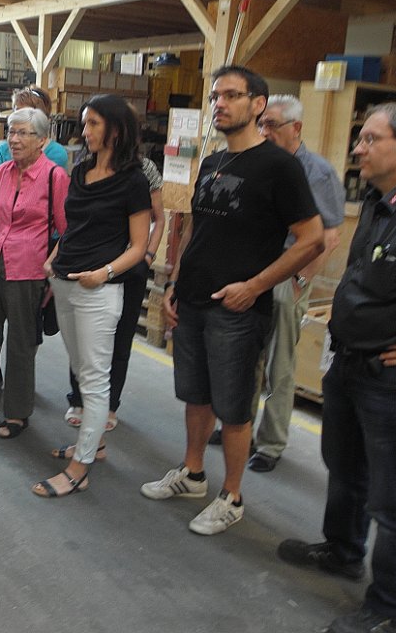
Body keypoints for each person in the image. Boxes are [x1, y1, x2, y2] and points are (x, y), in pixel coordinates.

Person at [141, 65, 324, 535]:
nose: (219, 104)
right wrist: (176, 282)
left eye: (231, 95)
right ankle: (193, 473)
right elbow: (197, 229)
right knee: (196, 396)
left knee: (235, 408)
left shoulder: (280, 167)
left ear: (258, 105)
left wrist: (256, 286)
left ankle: (232, 496)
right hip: (194, 300)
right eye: (215, 96)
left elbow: (312, 239)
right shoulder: (213, 162)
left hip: (238, 310)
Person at [277, 102, 396, 633]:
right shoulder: (381, 204)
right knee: (345, 468)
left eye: (371, 139)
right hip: (350, 363)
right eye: (360, 139)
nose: (358, 149)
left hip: (392, 379)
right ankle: (342, 551)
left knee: (395, 498)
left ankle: (388, 607)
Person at [33, 94, 151, 497]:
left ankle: (79, 467)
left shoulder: (134, 180)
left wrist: (104, 273)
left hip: (99, 289)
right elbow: (74, 227)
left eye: (93, 124)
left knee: (96, 380)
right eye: (85, 123)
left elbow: (139, 245)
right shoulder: (82, 170)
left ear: (116, 130)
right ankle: (93, 444)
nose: (85, 131)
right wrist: (53, 259)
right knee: (83, 372)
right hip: (64, 280)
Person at [247, 94, 345, 472]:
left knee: (280, 364)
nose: (264, 131)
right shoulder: (261, 164)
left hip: (289, 277)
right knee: (247, 357)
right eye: (261, 124)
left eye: (272, 124)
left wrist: (303, 279)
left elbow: (329, 236)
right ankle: (239, 425)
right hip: (254, 273)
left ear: (296, 127)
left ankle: (270, 444)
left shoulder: (317, 172)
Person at [0, 107, 68, 438]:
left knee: (21, 344)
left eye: (23, 133)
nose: (14, 140)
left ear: (43, 140)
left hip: (29, 270)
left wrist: (51, 268)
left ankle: (18, 413)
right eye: (11, 132)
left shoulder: (54, 177)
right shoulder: (4, 172)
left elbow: (68, 231)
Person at [64, 149, 165, 430]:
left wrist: (148, 256)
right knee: (81, 336)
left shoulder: (144, 168)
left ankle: (110, 404)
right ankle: (79, 398)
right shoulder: (86, 166)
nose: (88, 132)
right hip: (89, 262)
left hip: (129, 266)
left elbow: (158, 218)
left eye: (96, 126)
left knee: (121, 336)